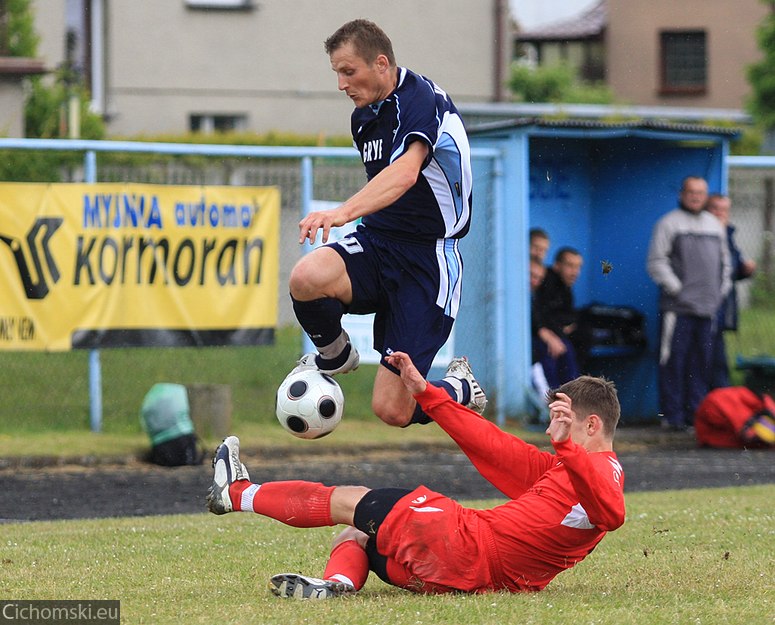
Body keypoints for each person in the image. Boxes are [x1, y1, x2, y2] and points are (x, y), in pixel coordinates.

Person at [206, 351, 626, 599]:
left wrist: (567, 447)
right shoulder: (563, 467)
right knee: (355, 537)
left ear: (591, 426)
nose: (556, 425)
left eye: (564, 417)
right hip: (474, 580)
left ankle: (238, 492)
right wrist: (428, 393)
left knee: (349, 500)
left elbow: (611, 512)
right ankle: (337, 585)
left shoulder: (602, 468)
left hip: (466, 544)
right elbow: (490, 443)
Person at [287, 19, 484, 427]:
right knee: (306, 278)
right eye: (337, 73)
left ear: (381, 63)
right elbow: (387, 188)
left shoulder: (421, 99)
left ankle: (459, 389)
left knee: (393, 410)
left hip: (427, 262)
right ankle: (336, 355)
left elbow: (406, 173)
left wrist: (340, 213)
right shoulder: (363, 117)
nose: (342, 84)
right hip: (379, 243)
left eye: (348, 71)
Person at [647, 176, 731, 431]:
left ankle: (696, 415)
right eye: (691, 192)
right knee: (674, 361)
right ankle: (672, 417)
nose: (695, 197)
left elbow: (725, 264)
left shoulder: (715, 226)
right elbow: (655, 262)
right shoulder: (668, 224)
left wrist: (719, 292)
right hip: (678, 310)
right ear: (682, 193)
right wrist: (678, 290)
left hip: (708, 310)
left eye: (700, 192)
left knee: (701, 364)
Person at [706, 194, 757, 389]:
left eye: (724, 209)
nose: (720, 213)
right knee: (706, 360)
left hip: (721, 307)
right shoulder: (707, 233)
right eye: (715, 208)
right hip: (704, 306)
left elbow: (731, 269)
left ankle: (723, 401)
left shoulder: (727, 233)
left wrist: (746, 269)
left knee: (718, 359)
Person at [533, 247, 584, 388]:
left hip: (552, 335)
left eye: (578, 267)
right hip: (539, 338)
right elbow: (542, 315)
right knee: (557, 349)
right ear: (557, 265)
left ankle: (570, 396)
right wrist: (548, 332)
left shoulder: (566, 288)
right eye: (570, 266)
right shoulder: (547, 282)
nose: (575, 272)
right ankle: (558, 397)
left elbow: (567, 316)